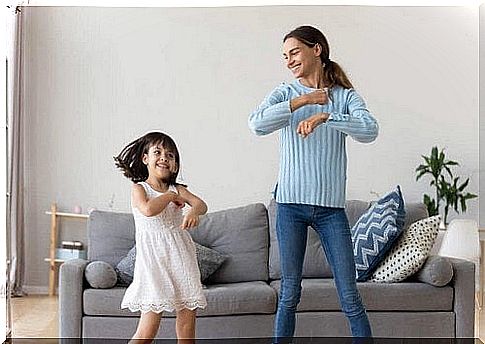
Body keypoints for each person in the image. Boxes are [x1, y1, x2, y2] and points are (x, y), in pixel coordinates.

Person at [248, 25, 378, 343]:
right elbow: (256, 124)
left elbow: (370, 129)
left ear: (316, 49)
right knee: (290, 294)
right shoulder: (285, 92)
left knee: (349, 295)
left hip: (331, 210)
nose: (289, 61)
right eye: (285, 56)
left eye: (294, 52)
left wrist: (327, 116)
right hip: (290, 206)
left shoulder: (345, 97)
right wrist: (303, 101)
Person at [114, 131, 208, 344]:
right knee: (147, 331)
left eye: (170, 155)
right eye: (158, 152)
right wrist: (170, 196)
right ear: (145, 158)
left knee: (186, 327)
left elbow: (201, 204)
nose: (164, 157)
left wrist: (193, 212)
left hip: (182, 260)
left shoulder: (178, 188)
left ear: (175, 165)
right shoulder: (140, 189)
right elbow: (148, 210)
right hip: (154, 264)